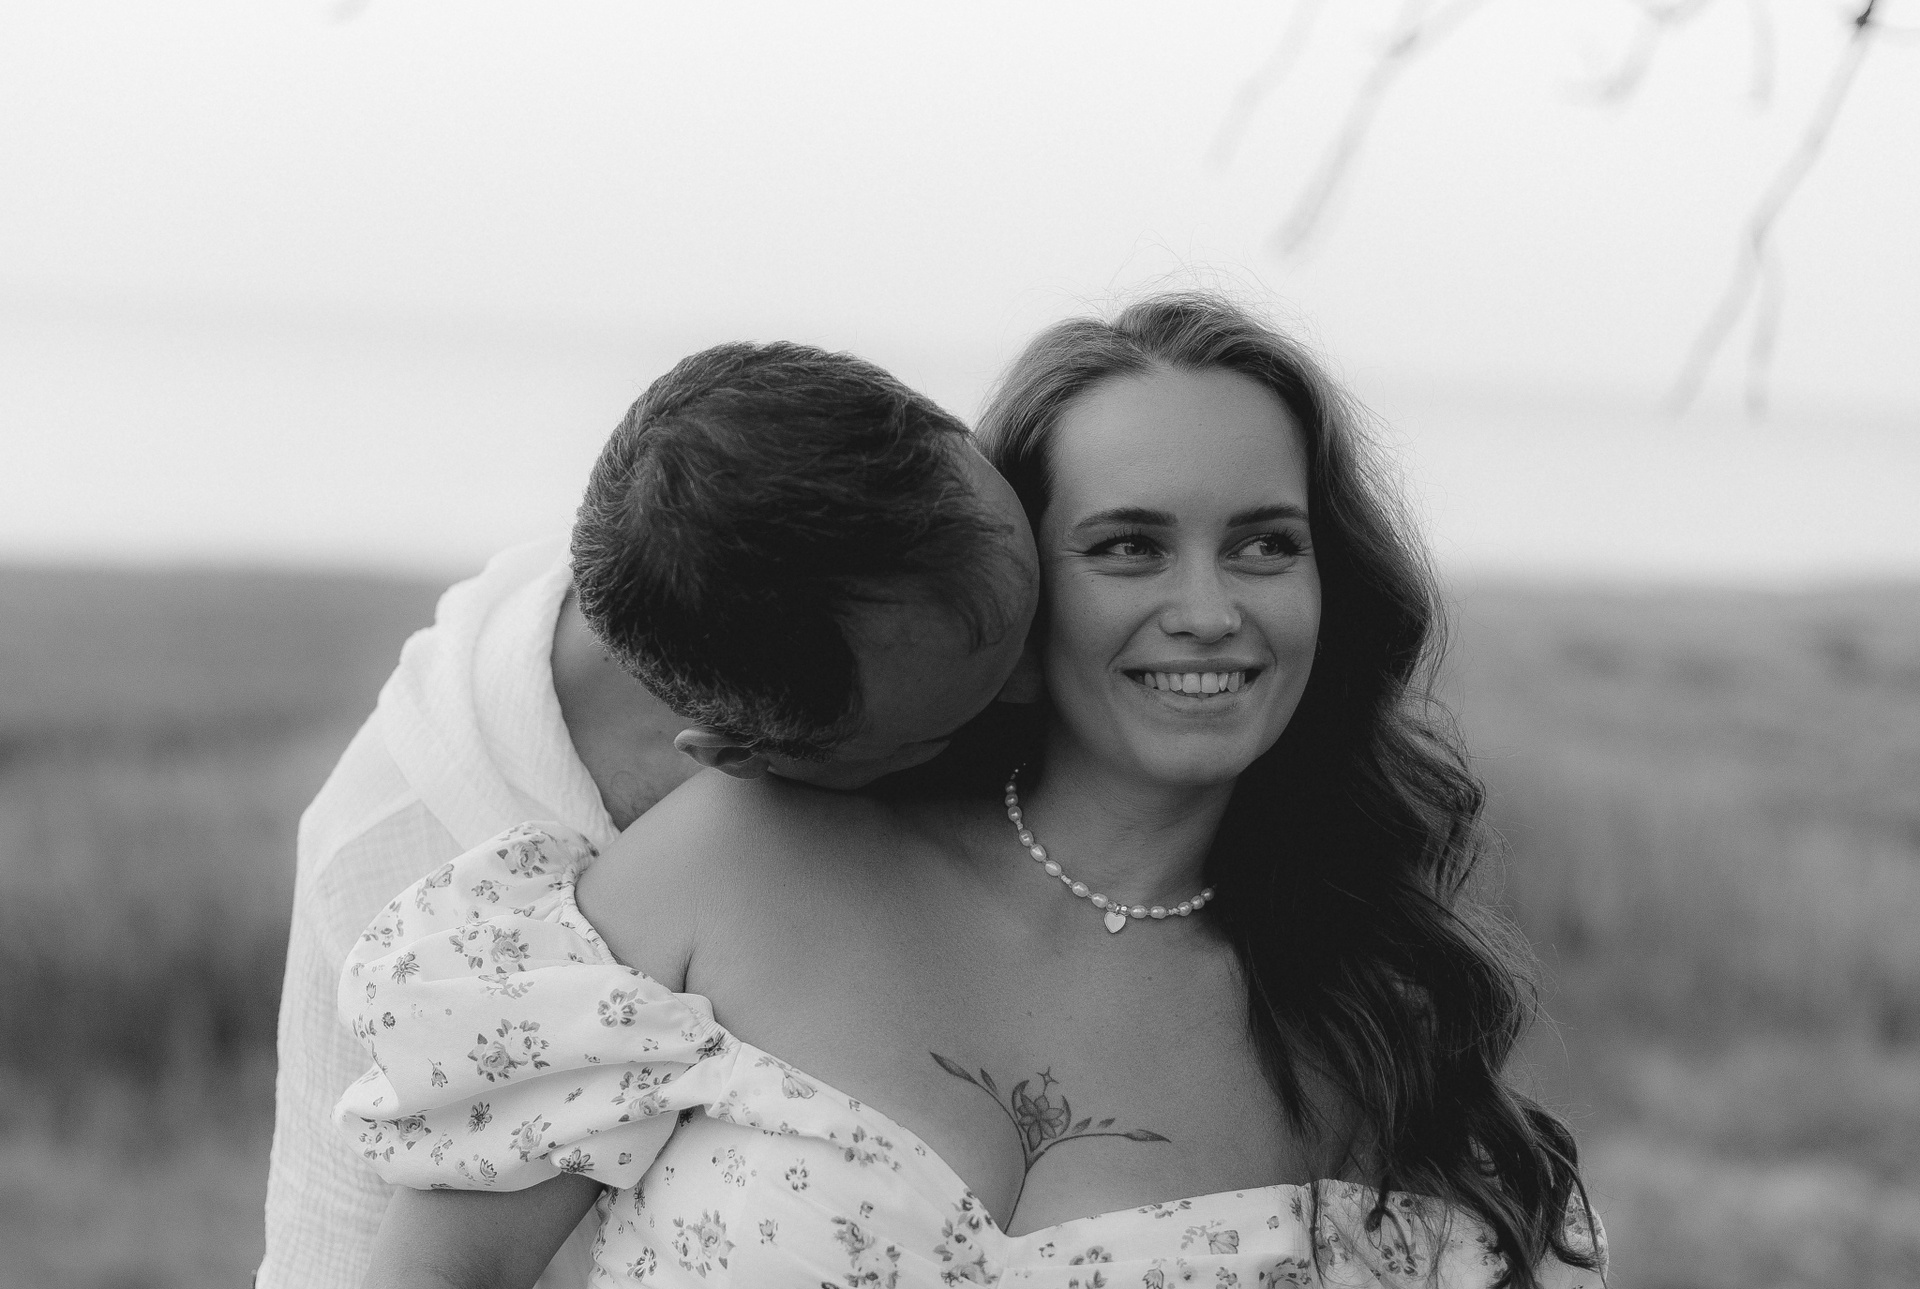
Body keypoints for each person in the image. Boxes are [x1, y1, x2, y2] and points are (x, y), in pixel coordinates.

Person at [336, 293, 1605, 1288]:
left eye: (1267, 544)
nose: (1210, 609)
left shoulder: (1385, 1049)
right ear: (1017, 581)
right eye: (1129, 545)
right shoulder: (731, 859)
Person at [259, 341, 1040, 1289]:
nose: (1044, 690)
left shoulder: (838, 588)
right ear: (739, 758)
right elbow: (331, 1251)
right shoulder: (387, 855)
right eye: (953, 725)